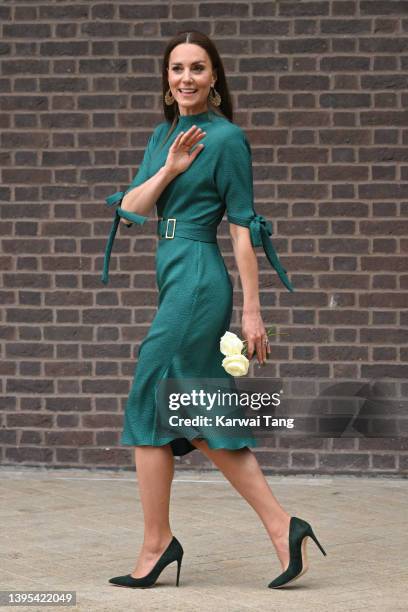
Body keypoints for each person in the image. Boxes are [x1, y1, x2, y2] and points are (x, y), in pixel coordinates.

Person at [102, 30, 326, 590]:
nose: (185, 78)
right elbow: (131, 210)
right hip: (172, 271)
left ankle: (171, 543)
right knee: (173, 411)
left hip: (200, 277)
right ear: (166, 77)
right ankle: (275, 527)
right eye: (176, 68)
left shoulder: (227, 140)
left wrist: (253, 310)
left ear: (214, 78)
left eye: (197, 69)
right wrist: (172, 168)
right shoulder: (164, 135)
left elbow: (243, 225)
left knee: (161, 397)